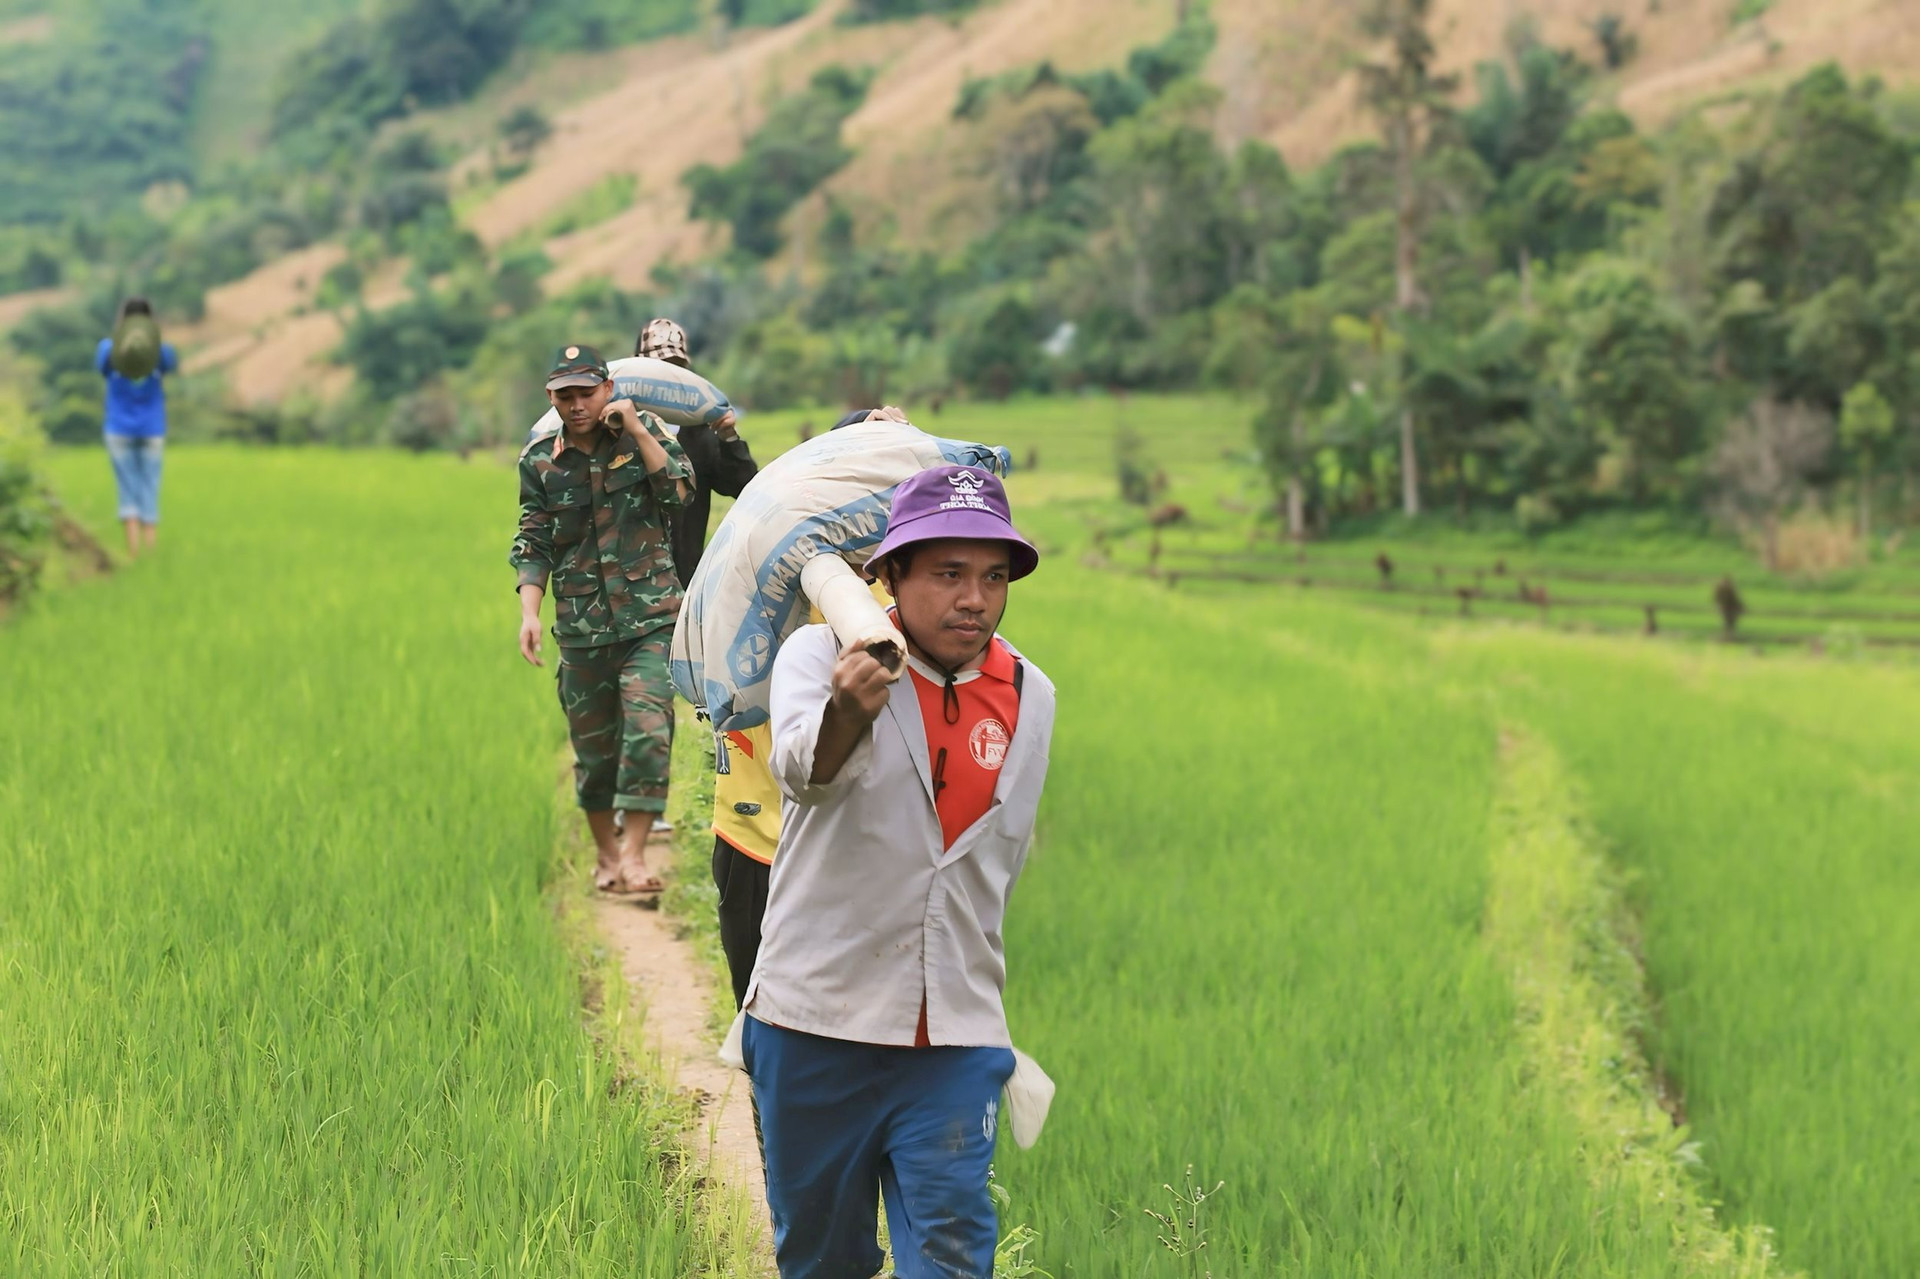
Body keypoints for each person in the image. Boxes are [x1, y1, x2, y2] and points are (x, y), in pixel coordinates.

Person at [743, 463, 1054, 1279]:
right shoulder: (822, 656)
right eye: (948, 573)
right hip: (817, 1022)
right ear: (888, 575)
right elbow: (805, 776)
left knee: (953, 1253)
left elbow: (997, 859)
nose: (974, 599)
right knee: (822, 1259)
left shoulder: (1031, 694)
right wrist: (849, 709)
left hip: (952, 1029)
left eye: (992, 577)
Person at [708, 407, 910, 1010]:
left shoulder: (900, 598)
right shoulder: (760, 576)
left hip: (855, 851)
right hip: (757, 834)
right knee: (761, 1018)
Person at [510, 343, 692, 896]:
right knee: (595, 752)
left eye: (586, 393)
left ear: (607, 389)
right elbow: (533, 538)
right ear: (551, 398)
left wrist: (637, 430)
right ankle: (608, 858)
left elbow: (680, 492)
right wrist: (528, 613)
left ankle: (635, 856)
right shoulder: (540, 460)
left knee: (648, 729)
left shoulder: (646, 434)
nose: (577, 404)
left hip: (651, 617)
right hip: (583, 627)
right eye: (565, 396)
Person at [634, 317, 760, 588]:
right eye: (658, 367)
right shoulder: (616, 428)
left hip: (684, 585)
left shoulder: (698, 430)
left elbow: (743, 485)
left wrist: (728, 437)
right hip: (630, 590)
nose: (666, 376)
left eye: (675, 367)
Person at [96, 297, 179, 558]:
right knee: (150, 484)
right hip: (153, 427)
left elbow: (102, 369)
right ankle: (151, 550)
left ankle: (133, 552)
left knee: (127, 485)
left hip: (118, 427)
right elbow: (172, 366)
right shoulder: (162, 351)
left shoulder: (107, 349)